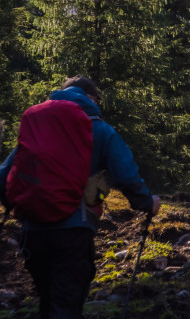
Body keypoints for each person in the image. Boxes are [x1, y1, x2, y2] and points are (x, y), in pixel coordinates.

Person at [0, 75, 161, 319]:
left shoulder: (39, 126)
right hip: (73, 228)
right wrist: (147, 203)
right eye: (97, 99)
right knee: (66, 302)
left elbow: (4, 174)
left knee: (47, 299)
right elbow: (125, 173)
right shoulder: (100, 129)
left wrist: (16, 206)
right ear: (90, 98)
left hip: (32, 231)